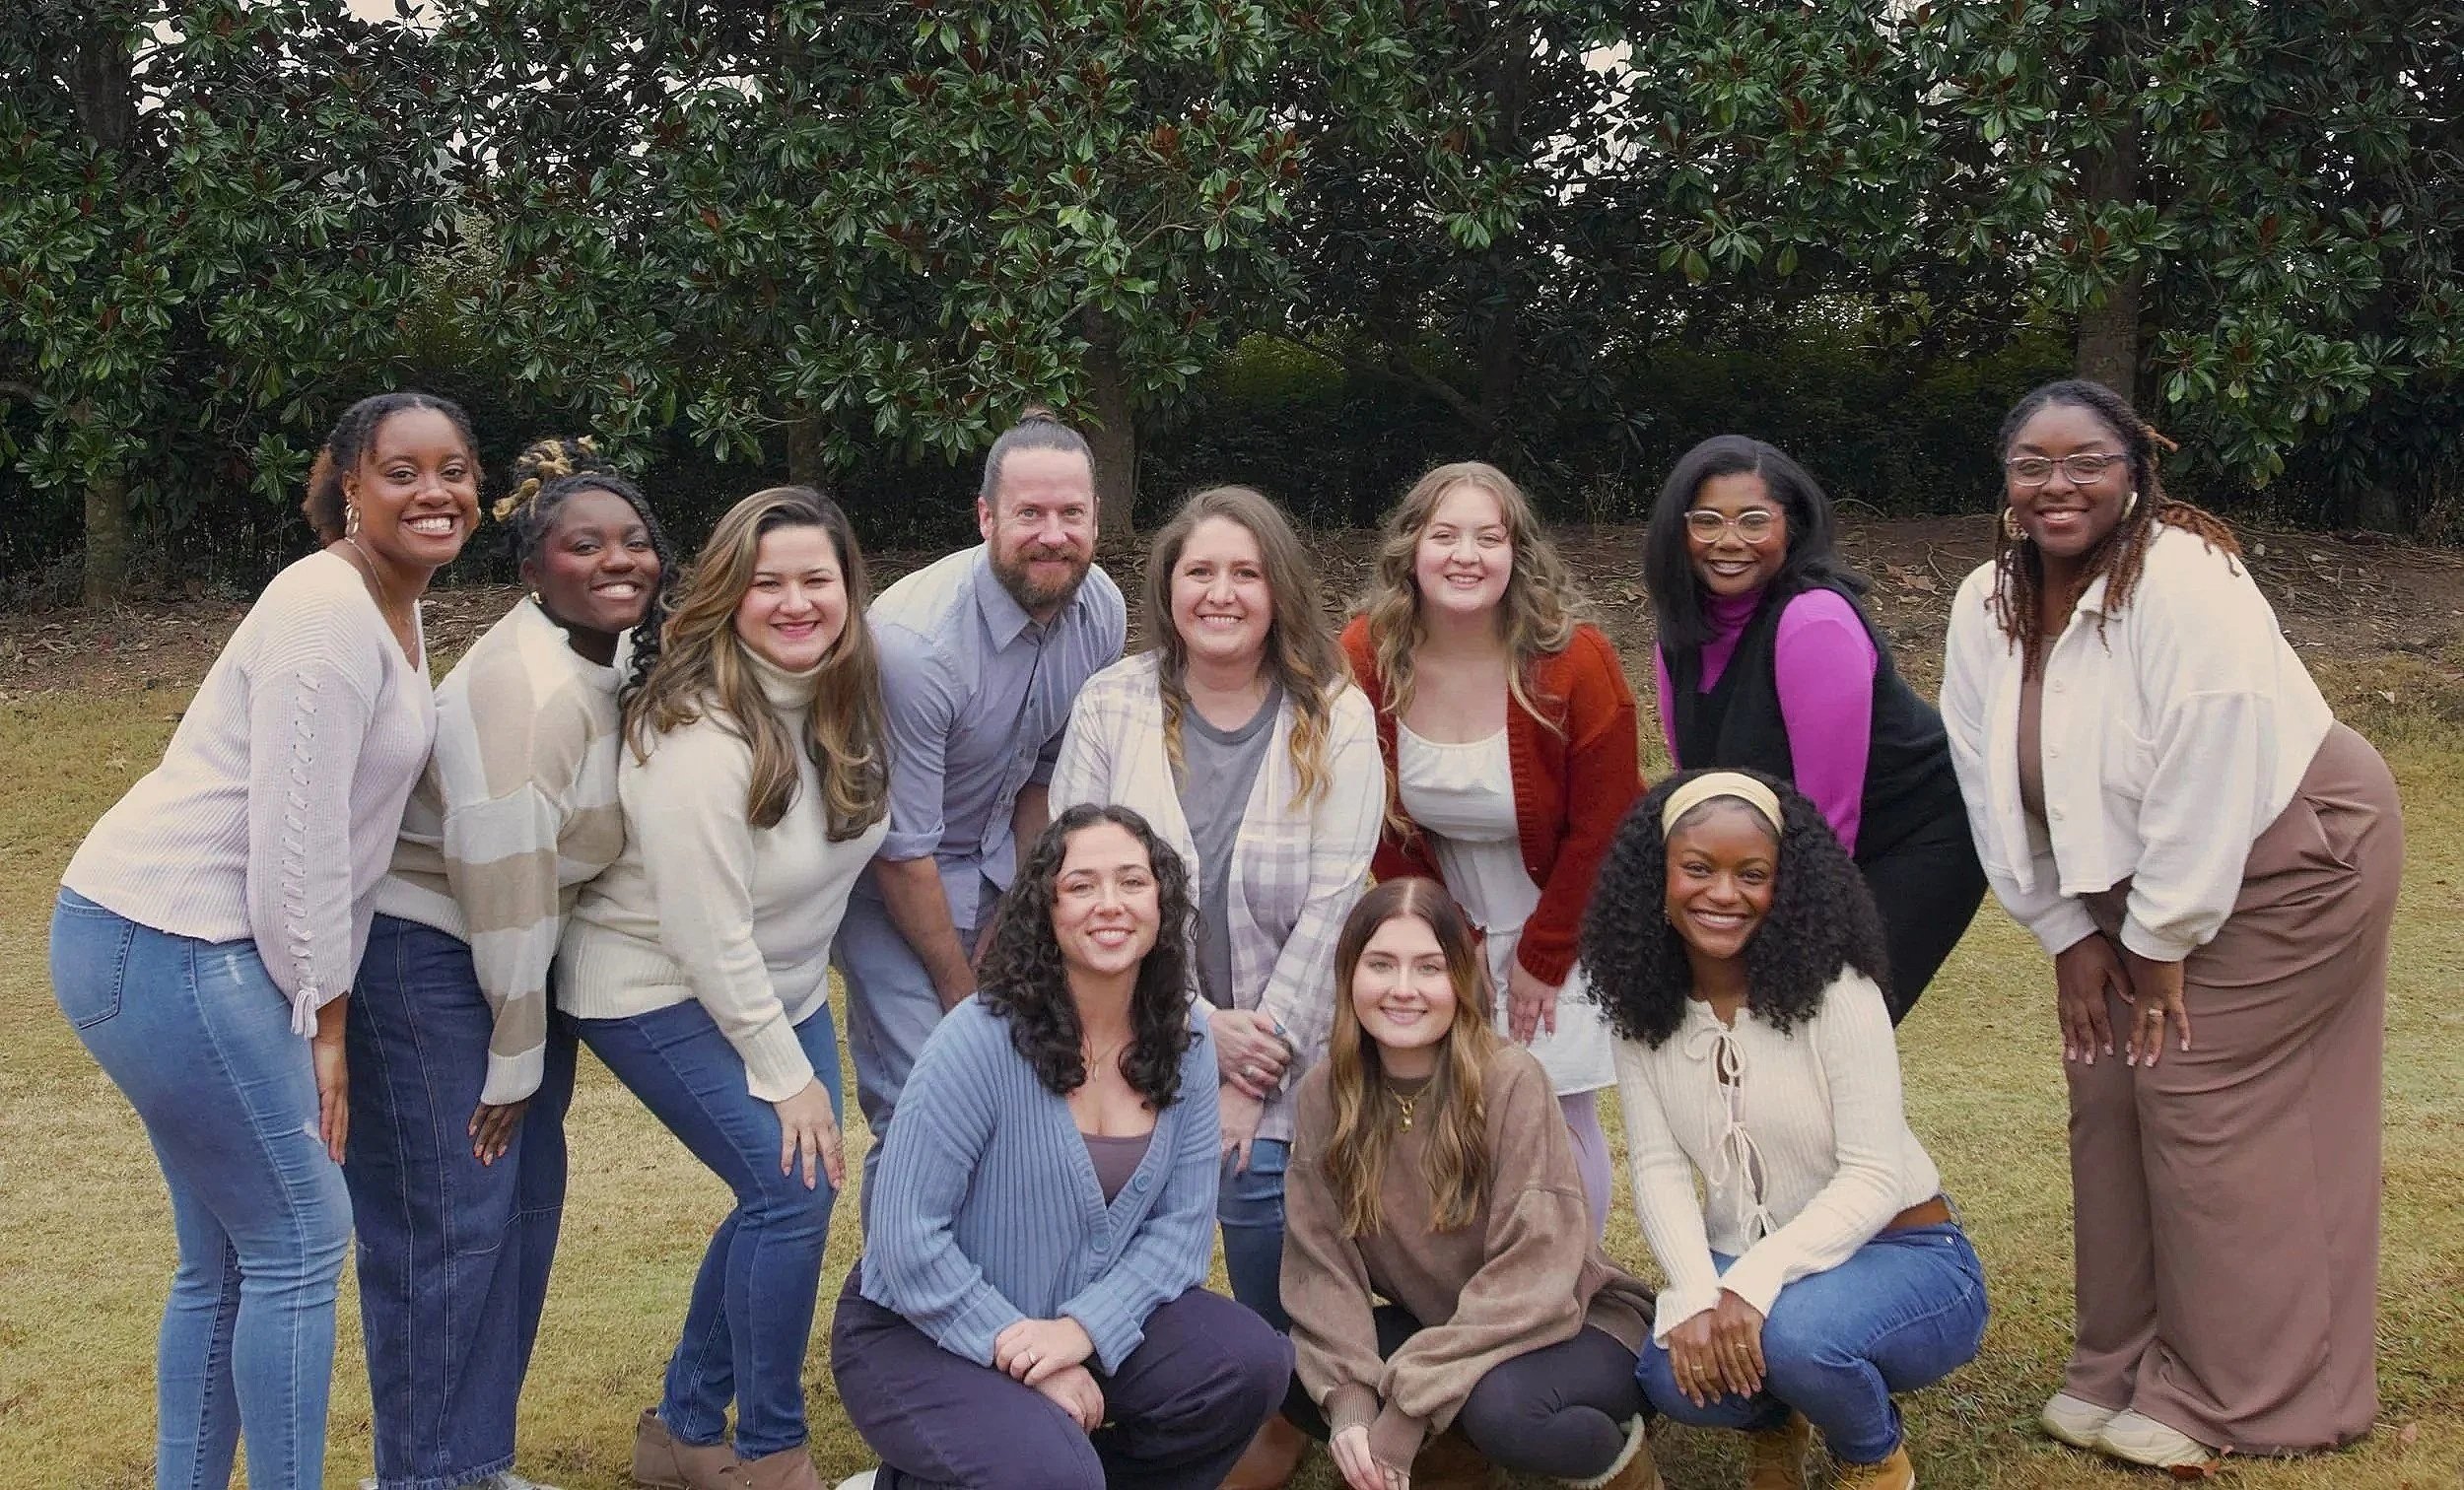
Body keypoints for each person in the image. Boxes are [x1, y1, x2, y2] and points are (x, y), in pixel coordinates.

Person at [1941, 378, 2404, 1468]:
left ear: (2137, 470)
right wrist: (2064, 930)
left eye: (2086, 460)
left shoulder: (2186, 580)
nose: (2058, 485)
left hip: (2292, 857)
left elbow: (2214, 765)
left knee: (2195, 1087)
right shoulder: (1985, 603)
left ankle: (2250, 1396)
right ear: (2006, 485)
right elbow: (1984, 777)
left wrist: (2154, 944)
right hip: (2136, 882)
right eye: (2031, 465)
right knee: (2106, 1089)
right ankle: (2120, 1365)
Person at [51, 390, 480, 1489]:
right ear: (348, 485)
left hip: (161, 938)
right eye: (402, 471)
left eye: (455, 469)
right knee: (297, 1240)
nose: (435, 492)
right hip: (169, 939)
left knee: (232, 1260)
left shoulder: (394, 599)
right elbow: (297, 844)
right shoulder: (323, 613)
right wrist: (323, 1016)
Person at [345, 437, 673, 1490]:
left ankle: (473, 1461)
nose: (617, 561)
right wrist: (516, 1058)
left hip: (513, 965)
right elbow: (504, 889)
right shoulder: (520, 691)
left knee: (521, 1212)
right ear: (532, 571)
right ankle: (422, 1475)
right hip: (438, 960)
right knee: (453, 1229)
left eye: (635, 542)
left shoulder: (602, 650)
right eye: (584, 546)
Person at [1050, 485, 1383, 1487]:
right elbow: (1077, 879)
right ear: (1167, 586)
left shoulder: (1336, 711)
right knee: (1108, 1204)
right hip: (1140, 1019)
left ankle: (1277, 1412)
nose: (1221, 592)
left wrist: (1247, 1075)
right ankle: (1118, 1396)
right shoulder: (1113, 704)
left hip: (1294, 1034)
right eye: (1200, 571)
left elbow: (1336, 904)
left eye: (1244, 572)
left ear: (1278, 588)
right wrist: (1197, 1031)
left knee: (1257, 1200)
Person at [557, 487, 889, 1490]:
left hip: (774, 988)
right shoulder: (696, 736)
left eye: (815, 581)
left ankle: (683, 1432)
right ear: (729, 596)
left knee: (776, 1196)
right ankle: (768, 1454)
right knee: (789, 1194)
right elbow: (706, 935)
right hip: (648, 985)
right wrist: (785, 1075)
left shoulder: (844, 701)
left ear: (847, 589)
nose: (796, 603)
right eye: (767, 583)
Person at [831, 804, 1293, 1490]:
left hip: (1070, 1315)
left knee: (1248, 1365)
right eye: (1081, 886)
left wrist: (1080, 1332)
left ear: (1162, 903)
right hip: (921, 1330)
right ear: (1045, 910)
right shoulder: (979, 1039)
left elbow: (1180, 1235)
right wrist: (1021, 1354)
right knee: (1053, 1471)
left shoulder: (1187, 1044)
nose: (1110, 904)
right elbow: (903, 1241)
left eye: (1132, 882)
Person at [1584, 770, 1986, 1490]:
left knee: (1798, 1338)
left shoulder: (1839, 993)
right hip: (1744, 1255)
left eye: (1753, 874)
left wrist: (1754, 1285)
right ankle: (1775, 1423)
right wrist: (1697, 1291)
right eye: (1698, 869)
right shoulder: (1644, 1009)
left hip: (1904, 1252)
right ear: (1659, 877)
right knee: (1670, 1374)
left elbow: (1874, 1174)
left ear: (1786, 886)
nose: (1723, 894)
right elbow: (1658, 1168)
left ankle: (1873, 1455)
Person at [835, 411, 1129, 1210]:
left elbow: (1044, 773)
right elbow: (904, 851)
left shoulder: (1100, 609)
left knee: (1027, 1100)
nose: (1053, 535)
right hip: (890, 885)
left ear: (1097, 517)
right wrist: (963, 989)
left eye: (1072, 514)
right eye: (1029, 514)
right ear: (986, 517)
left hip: (1003, 863)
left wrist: (1022, 911)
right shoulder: (914, 645)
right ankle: (894, 1312)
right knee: (924, 1101)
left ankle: (998, 1299)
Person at [1281, 877, 1663, 1490]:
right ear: (1350, 974)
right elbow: (1320, 1262)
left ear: (1460, 980)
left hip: (1569, 1322)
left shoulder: (1510, 1080)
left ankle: (1619, 1464)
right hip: (1446, 1327)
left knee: (1504, 1410)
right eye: (1381, 964)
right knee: (1292, 1373)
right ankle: (1453, 1467)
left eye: (1428, 968)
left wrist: (1407, 1406)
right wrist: (1350, 1403)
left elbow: (1534, 1270)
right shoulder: (1326, 1094)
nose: (1403, 989)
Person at [1339, 460, 1641, 1235]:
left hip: (1562, 911)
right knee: (1444, 1110)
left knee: (1553, 1113)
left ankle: (1572, 1288)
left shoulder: (1577, 662)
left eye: (1489, 536)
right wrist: (1448, 941)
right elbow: (1367, 810)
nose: (1466, 555)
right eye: (1445, 535)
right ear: (1412, 548)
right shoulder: (1367, 656)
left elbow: (1606, 823)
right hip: (1440, 917)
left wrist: (1544, 956)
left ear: (1518, 553)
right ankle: (1470, 1287)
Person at [1644, 435, 1984, 1023]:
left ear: (1792, 527)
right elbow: (1700, 791)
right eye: (1706, 521)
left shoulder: (1814, 622)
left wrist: (1785, 940)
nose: (1729, 541)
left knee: (1834, 1022)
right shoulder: (1679, 633)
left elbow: (1829, 818)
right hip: (1803, 837)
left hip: (1916, 837)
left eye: (1754, 521)